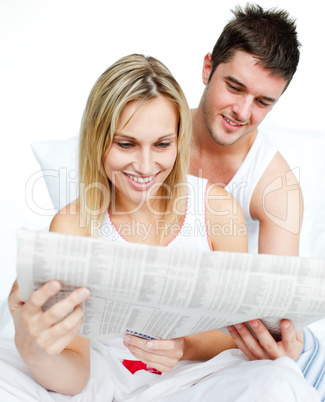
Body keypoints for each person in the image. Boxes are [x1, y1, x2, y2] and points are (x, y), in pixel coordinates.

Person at [5, 54, 320, 401]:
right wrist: (33, 349)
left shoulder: (216, 209)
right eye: (126, 144)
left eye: (162, 144)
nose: (144, 166)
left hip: (200, 379)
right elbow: (77, 373)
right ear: (98, 141)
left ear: (178, 141)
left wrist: (185, 347)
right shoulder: (73, 225)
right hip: (111, 381)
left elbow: (235, 331)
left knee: (280, 381)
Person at [189, 3, 325, 399]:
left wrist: (281, 343)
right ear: (207, 68)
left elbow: (277, 316)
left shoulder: (275, 184)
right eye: (234, 87)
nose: (242, 113)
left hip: (235, 335)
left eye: (263, 102)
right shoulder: (156, 131)